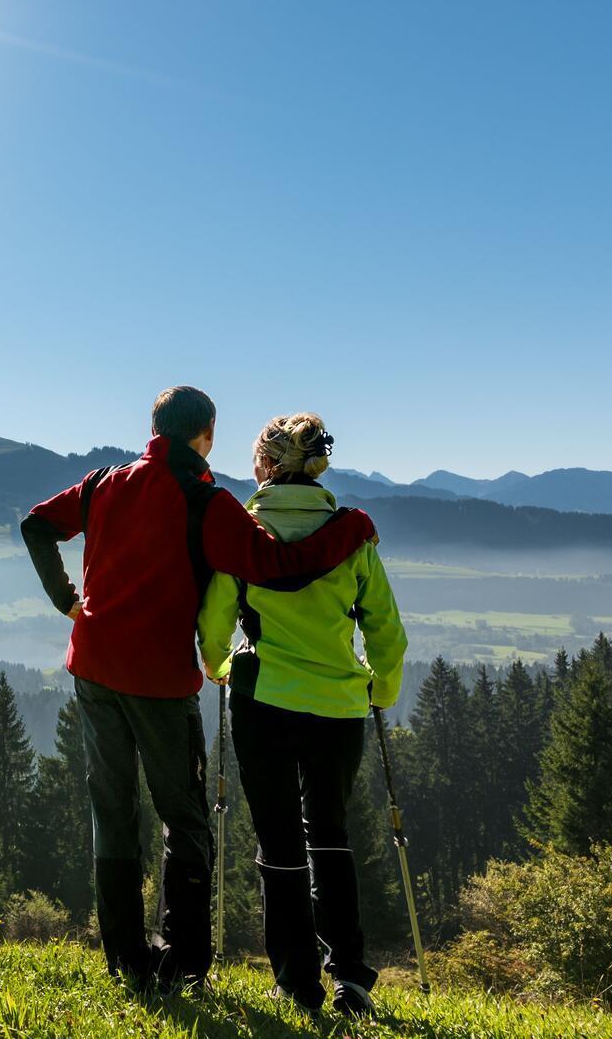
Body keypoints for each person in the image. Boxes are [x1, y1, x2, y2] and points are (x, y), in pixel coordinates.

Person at [20, 387, 379, 989]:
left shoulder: (103, 482)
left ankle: (128, 959)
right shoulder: (206, 502)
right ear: (207, 434)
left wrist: (67, 601)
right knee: (182, 818)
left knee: (111, 812)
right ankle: (183, 961)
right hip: (157, 680)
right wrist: (352, 530)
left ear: (154, 427)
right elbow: (277, 567)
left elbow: (35, 525)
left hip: (92, 667)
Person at [198, 413, 407, 1018]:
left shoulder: (245, 531)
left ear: (265, 464)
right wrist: (380, 690)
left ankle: (296, 981)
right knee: (332, 836)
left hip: (263, 701)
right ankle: (352, 976)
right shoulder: (353, 533)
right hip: (339, 705)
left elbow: (216, 625)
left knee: (279, 843)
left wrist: (218, 667)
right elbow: (386, 631)